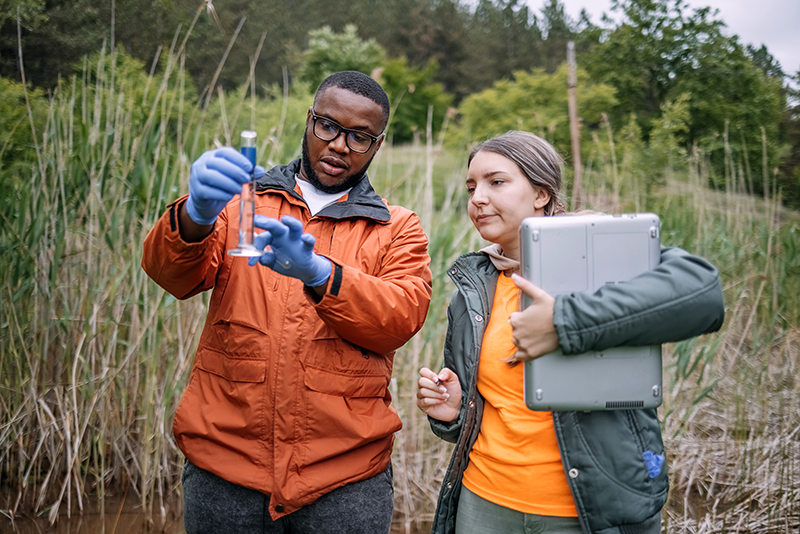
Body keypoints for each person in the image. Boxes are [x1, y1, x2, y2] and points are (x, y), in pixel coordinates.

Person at [142, 71, 433, 533]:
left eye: (359, 137)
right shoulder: (244, 202)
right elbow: (171, 275)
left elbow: (400, 317)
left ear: (376, 146)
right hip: (225, 467)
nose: (339, 145)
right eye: (328, 126)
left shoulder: (397, 227)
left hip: (344, 478)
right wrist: (195, 214)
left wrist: (320, 275)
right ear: (309, 121)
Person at [416, 130, 725, 534]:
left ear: (541, 194)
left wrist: (564, 320)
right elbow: (485, 412)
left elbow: (703, 294)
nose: (477, 198)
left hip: (584, 513)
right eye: (471, 187)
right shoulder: (473, 290)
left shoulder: (600, 255)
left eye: (497, 182)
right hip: (483, 503)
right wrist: (453, 411)